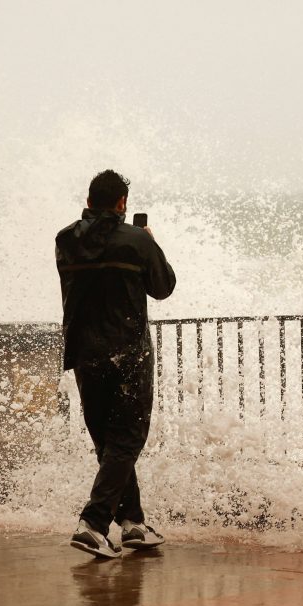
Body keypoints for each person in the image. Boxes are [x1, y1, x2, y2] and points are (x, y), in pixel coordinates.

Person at [56, 170, 176, 559]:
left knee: (109, 442)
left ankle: (133, 523)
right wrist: (150, 242)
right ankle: (93, 524)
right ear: (122, 203)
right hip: (128, 353)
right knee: (126, 439)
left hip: (84, 353)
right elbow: (163, 287)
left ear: (89, 201)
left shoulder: (65, 240)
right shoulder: (136, 240)